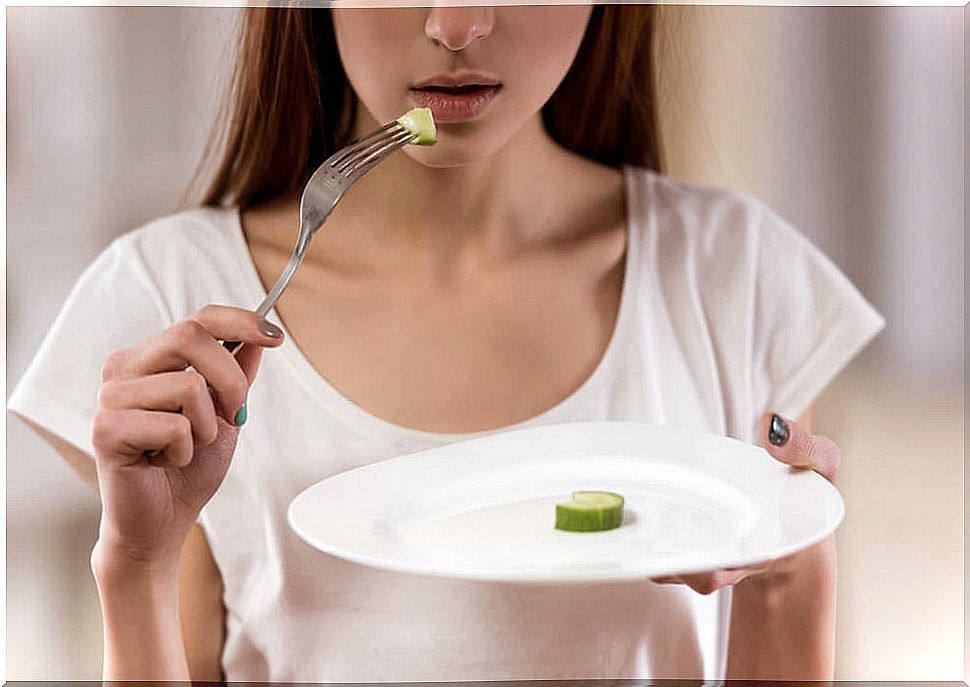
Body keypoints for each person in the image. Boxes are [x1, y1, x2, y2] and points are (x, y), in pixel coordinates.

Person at [8, 5, 885, 683]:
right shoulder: (170, 298)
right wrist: (136, 564)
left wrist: (790, 572)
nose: (457, 23)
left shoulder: (737, 277)